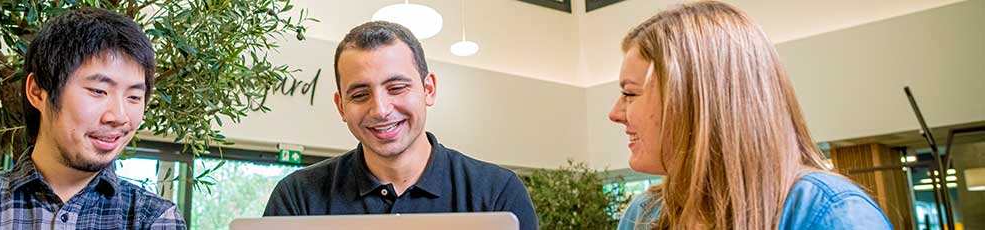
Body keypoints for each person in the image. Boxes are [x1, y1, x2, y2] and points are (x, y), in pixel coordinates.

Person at [608, 1, 892, 229]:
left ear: (695, 99)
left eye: (630, 93)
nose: (615, 114)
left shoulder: (829, 213)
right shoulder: (643, 215)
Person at [0, 8, 185, 229]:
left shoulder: (153, 220)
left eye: (134, 97)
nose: (119, 117)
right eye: (98, 91)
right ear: (38, 91)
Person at [262, 21, 538, 230]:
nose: (380, 110)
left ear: (428, 89)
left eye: (396, 88)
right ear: (341, 106)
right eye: (360, 95)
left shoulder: (497, 193)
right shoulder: (298, 198)